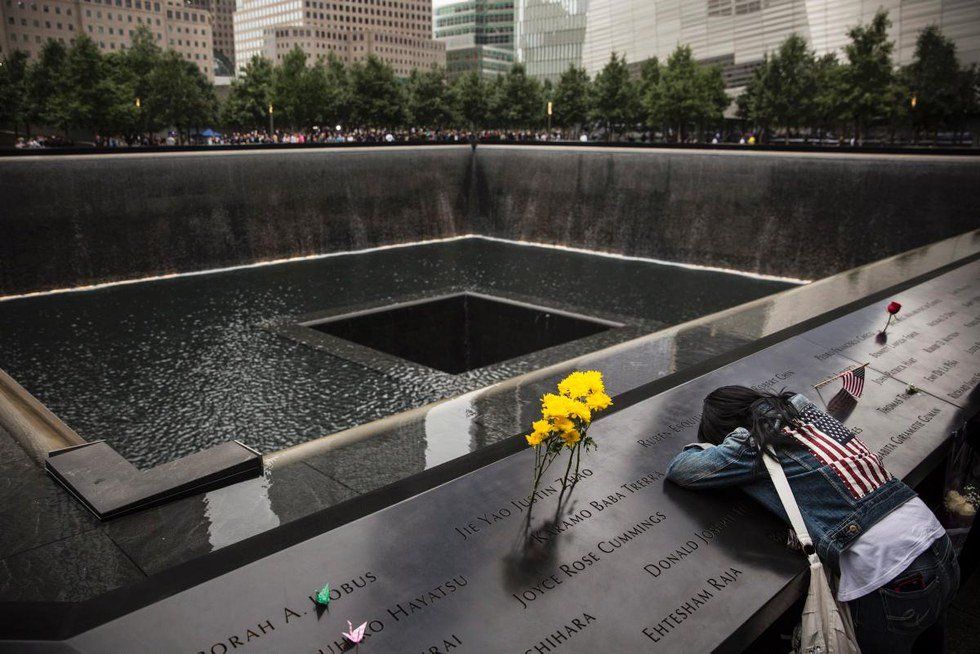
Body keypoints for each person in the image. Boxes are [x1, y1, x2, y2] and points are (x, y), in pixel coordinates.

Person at [666, 386, 958, 654]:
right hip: (938, 543)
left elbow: (681, 469)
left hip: (891, 574)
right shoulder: (806, 412)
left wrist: (712, 446)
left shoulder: (751, 444)